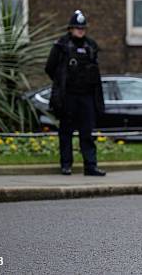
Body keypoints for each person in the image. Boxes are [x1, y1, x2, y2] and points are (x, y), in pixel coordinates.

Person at [45, 10, 106, 176]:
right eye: (77, 28)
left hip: (86, 96)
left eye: (83, 28)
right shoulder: (61, 45)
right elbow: (50, 68)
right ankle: (66, 165)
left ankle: (90, 166)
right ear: (70, 29)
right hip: (68, 96)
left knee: (87, 133)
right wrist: (61, 81)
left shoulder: (91, 46)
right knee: (66, 132)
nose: (80, 31)